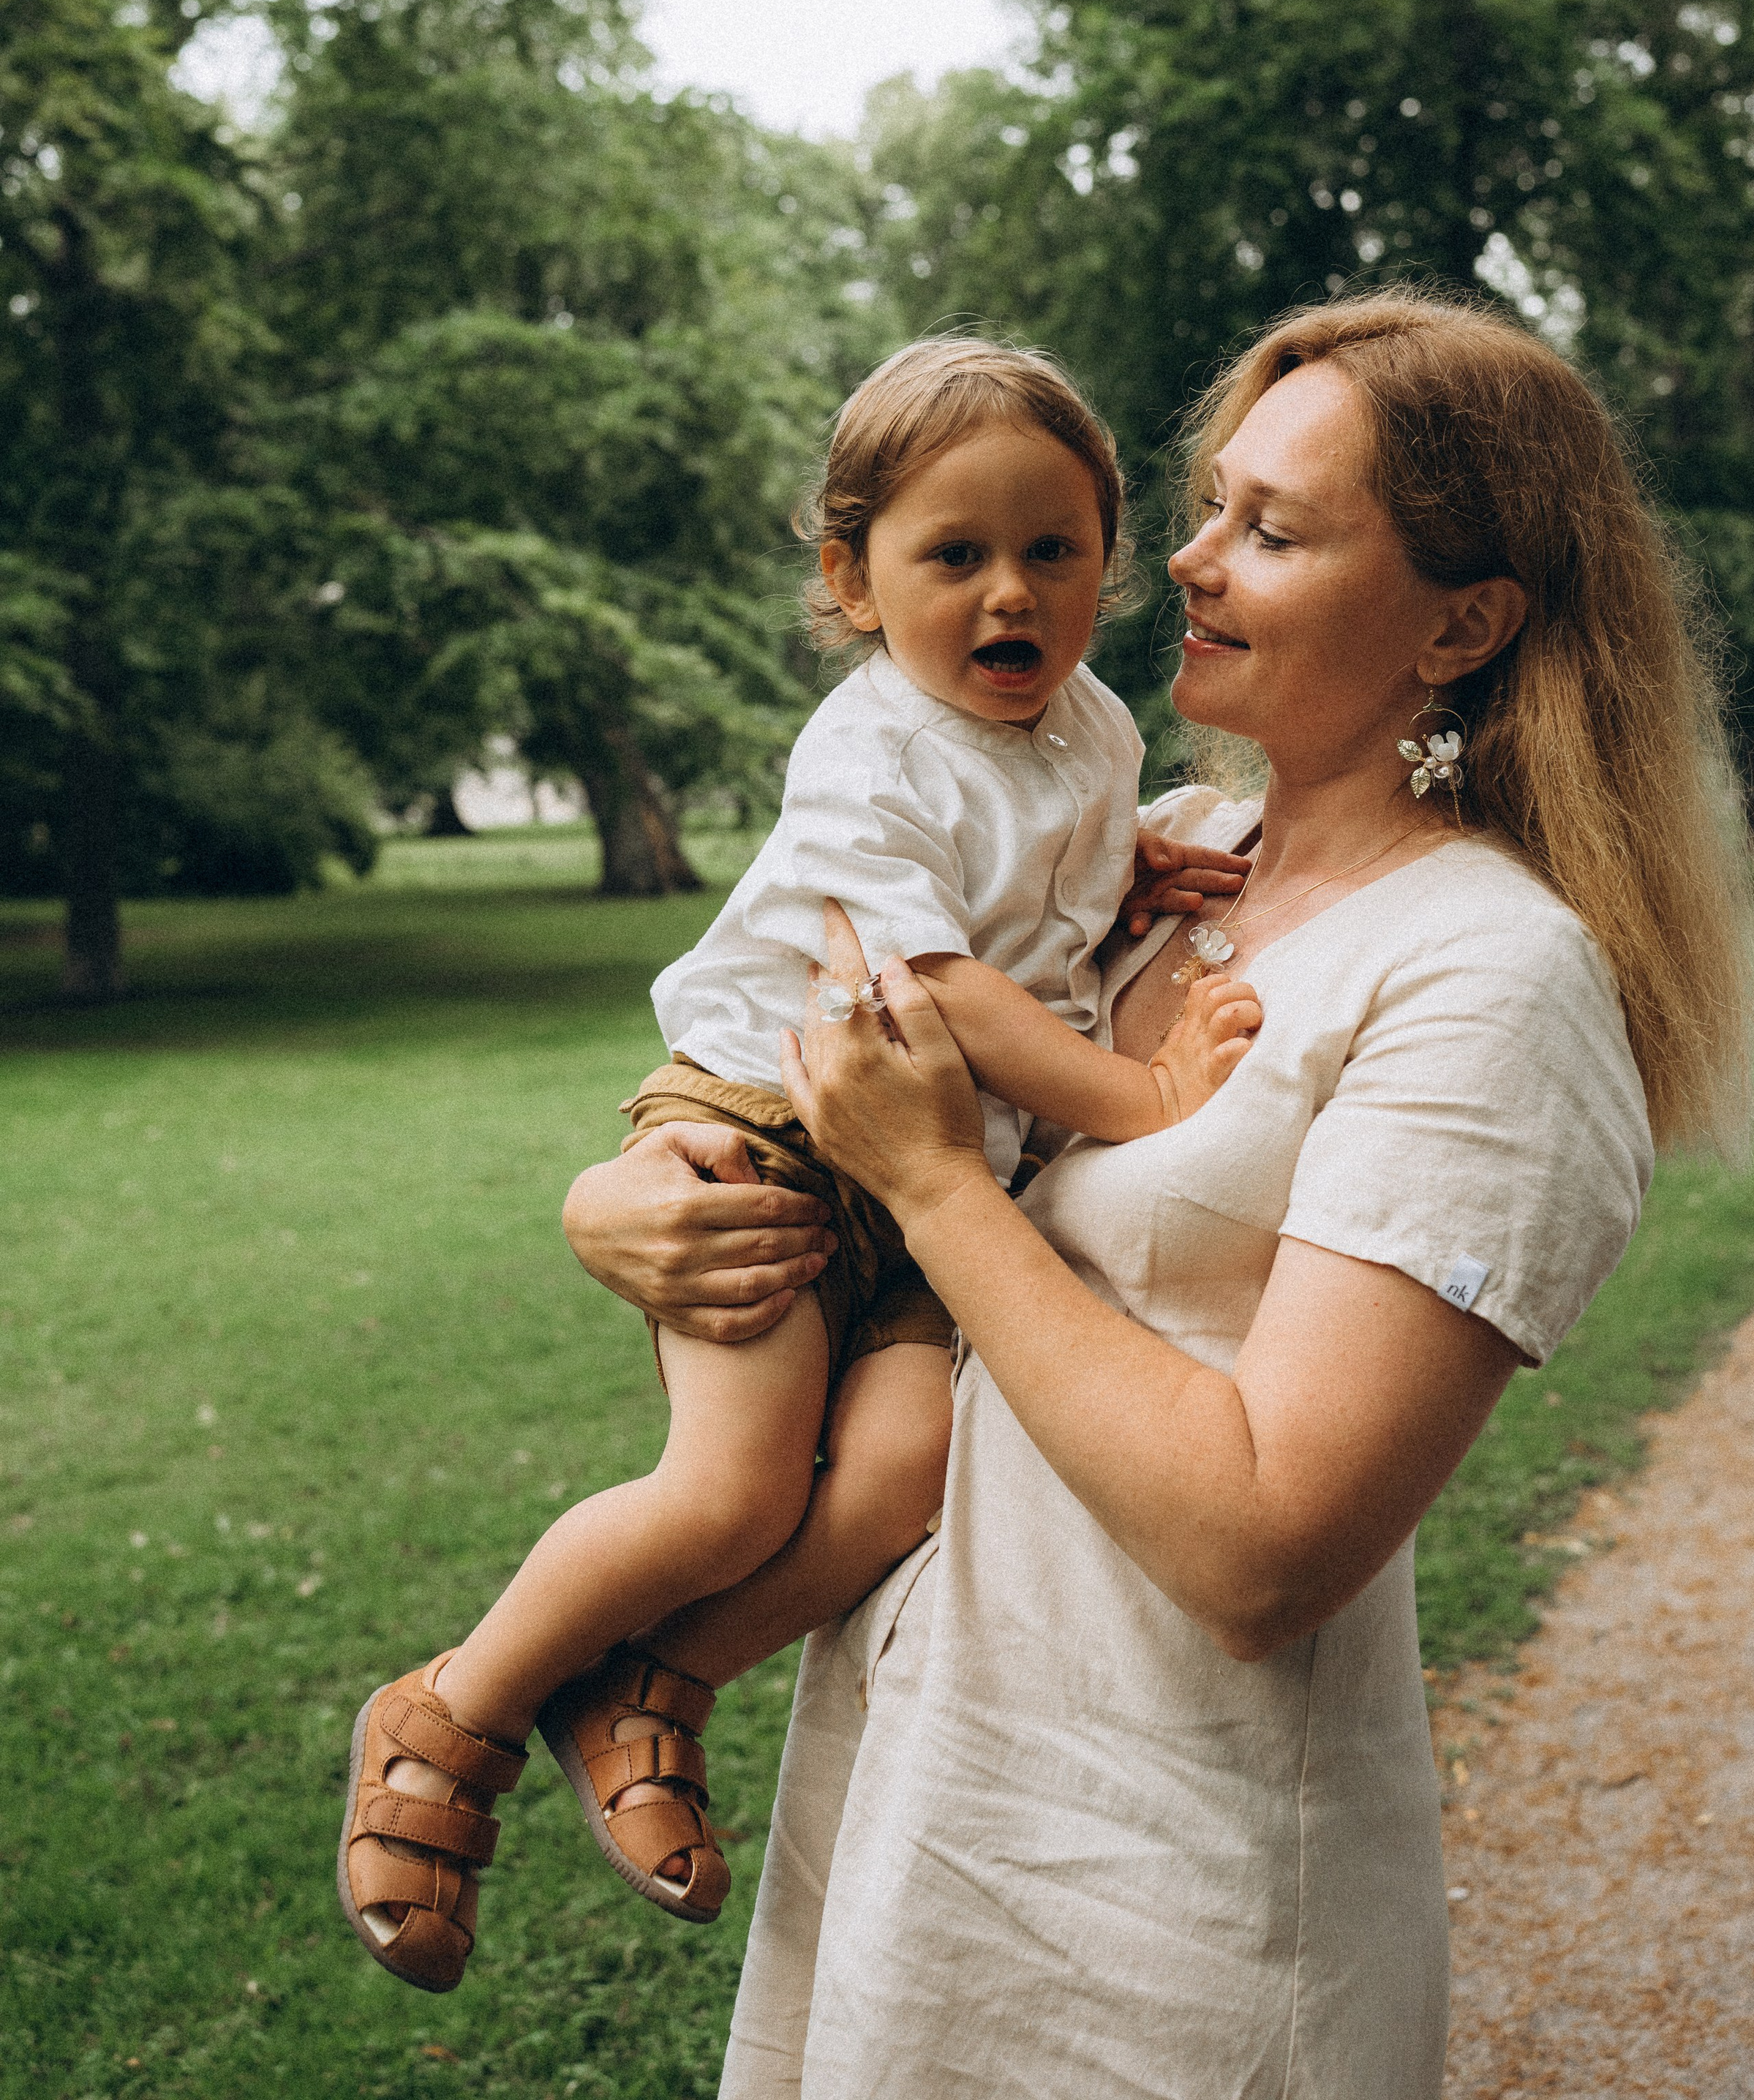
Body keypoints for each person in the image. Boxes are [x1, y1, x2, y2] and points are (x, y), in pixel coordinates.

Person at [562, 290, 1754, 2099]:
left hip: (1166, 1913)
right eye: (1203, 505)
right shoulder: (1161, 866)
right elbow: (791, 1039)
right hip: (914, 1805)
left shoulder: (1484, 976)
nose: (1183, 562)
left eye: (1269, 530)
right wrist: (629, 1195)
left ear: (1464, 619)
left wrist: (933, 1191)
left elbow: (1264, 1546)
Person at [337, 339, 1261, 1994]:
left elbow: (1040, 895)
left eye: (1052, 550)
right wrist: (1143, 1092)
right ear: (852, 577)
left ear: (1104, 563)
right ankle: (452, 1708)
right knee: (732, 1488)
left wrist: (1138, 876)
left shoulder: (1096, 727)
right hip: (767, 1131)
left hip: (928, 1188)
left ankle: (657, 1685)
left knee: (906, 1472)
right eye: (952, 555)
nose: (1009, 596)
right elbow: (945, 989)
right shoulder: (869, 751)